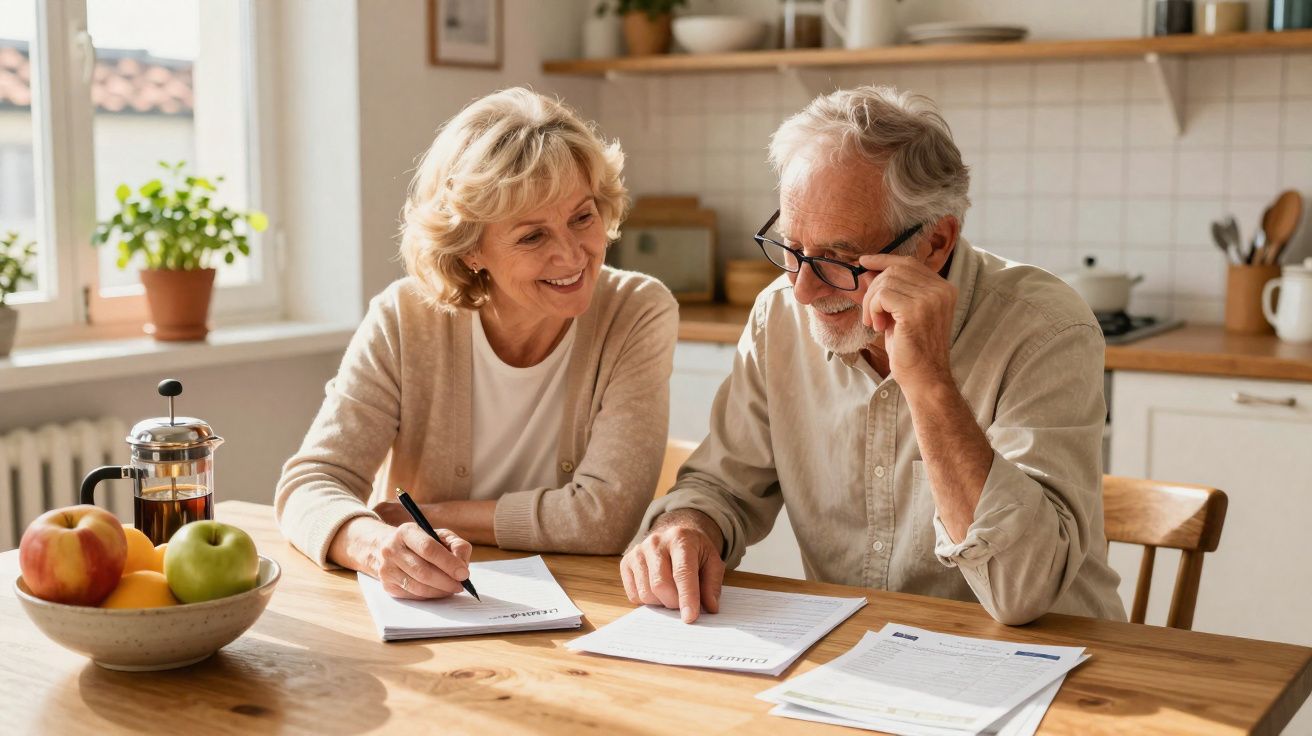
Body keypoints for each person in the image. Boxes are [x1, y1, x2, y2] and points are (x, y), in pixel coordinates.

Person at [621, 85, 1126, 626]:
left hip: (1052, 662)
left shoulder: (1046, 329)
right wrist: (689, 525)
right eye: (793, 249)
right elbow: (723, 485)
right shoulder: (780, 315)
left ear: (936, 243)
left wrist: (930, 382)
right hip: (855, 654)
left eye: (839, 258)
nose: (803, 292)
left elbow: (1023, 590)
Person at [277, 88, 677, 600]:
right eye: (532, 237)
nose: (573, 255)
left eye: (583, 217)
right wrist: (378, 545)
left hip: (585, 607)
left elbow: (606, 519)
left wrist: (435, 516)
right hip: (429, 607)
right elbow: (310, 484)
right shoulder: (404, 318)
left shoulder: (637, 311)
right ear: (470, 250)